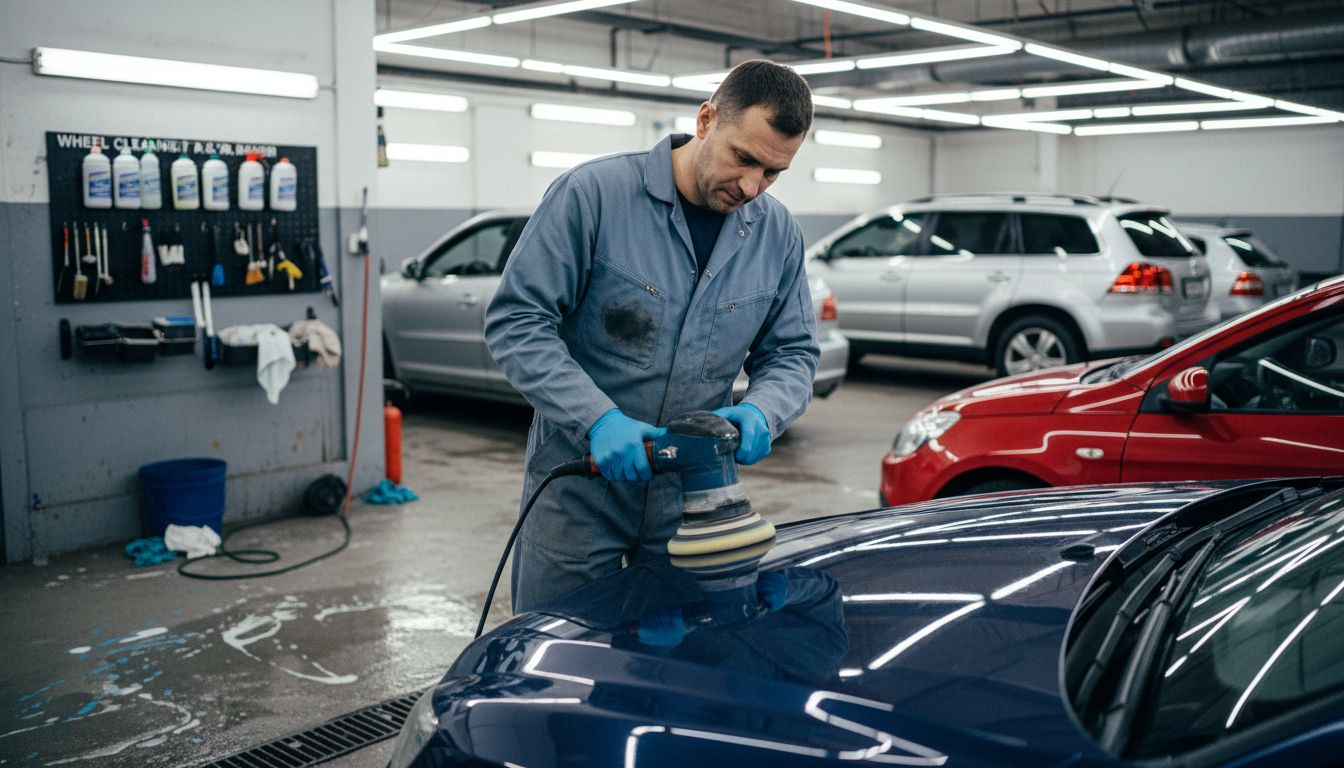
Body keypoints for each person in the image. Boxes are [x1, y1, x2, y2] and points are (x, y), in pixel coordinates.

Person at [484, 59, 820, 612]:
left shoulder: (777, 233)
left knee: (678, 661)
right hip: (581, 483)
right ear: (707, 119)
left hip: (694, 494)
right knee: (560, 654)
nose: (752, 186)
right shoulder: (592, 196)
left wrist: (765, 410)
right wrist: (598, 420)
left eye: (773, 173)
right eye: (744, 159)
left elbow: (793, 352)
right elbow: (518, 321)